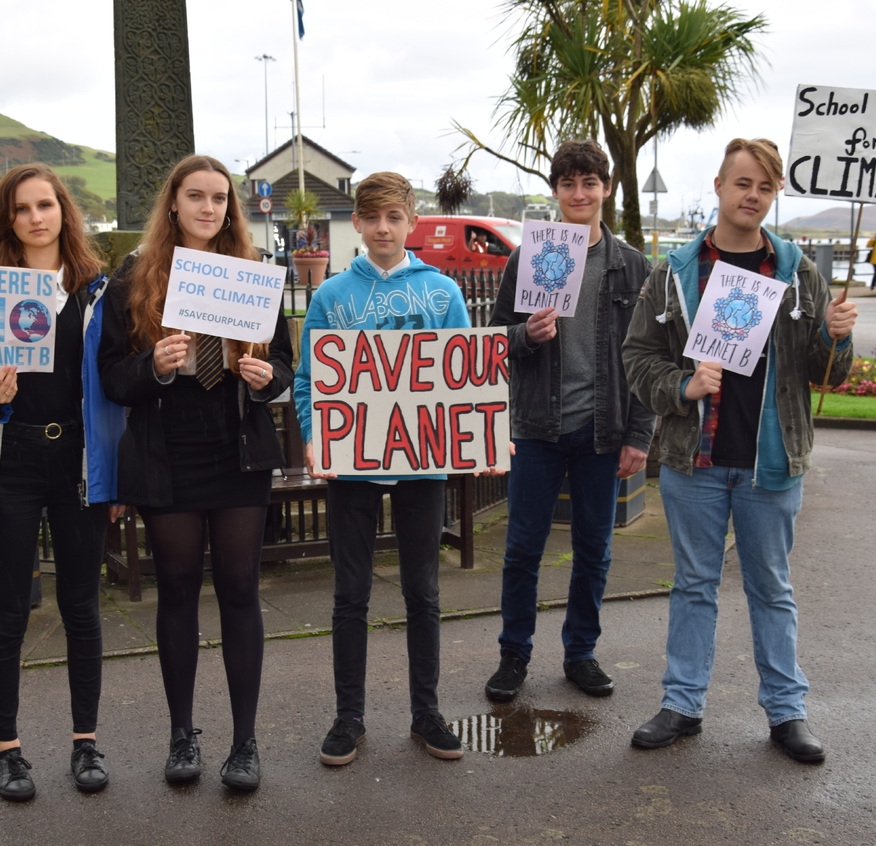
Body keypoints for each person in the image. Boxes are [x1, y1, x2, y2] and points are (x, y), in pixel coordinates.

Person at [622, 138, 858, 763]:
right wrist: (681, 385)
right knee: (693, 585)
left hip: (770, 464)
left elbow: (824, 373)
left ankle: (787, 712)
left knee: (772, 589)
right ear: (721, 187)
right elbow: (636, 357)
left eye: (764, 187)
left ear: (773, 194)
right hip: (694, 460)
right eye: (742, 183)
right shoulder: (673, 272)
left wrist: (838, 338)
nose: (752, 196)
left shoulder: (797, 271)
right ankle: (682, 703)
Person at [0, 164, 126, 801]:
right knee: (8, 612)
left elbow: (117, 391)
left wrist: (115, 475)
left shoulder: (97, 294)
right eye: (21, 208)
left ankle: (85, 744)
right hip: (9, 467)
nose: (36, 217)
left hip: (77, 468)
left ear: (64, 211)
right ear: (6, 221)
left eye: (46, 204)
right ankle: (8, 752)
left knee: (82, 609)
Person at [97, 154, 293, 791]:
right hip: (168, 456)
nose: (210, 208)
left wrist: (267, 382)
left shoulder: (254, 275)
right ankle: (182, 736)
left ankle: (245, 741)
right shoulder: (134, 280)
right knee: (177, 590)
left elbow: (284, 366)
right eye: (196, 196)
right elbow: (112, 379)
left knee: (239, 589)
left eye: (220, 198)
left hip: (236, 455)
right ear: (174, 203)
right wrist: (153, 365)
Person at [293, 172, 473, 765]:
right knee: (351, 594)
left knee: (423, 591)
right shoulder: (331, 296)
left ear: (411, 219)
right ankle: (349, 718)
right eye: (371, 218)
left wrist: (480, 433)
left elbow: (466, 376)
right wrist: (317, 436)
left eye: (394, 217)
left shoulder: (444, 292)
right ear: (359, 224)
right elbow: (309, 382)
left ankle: (427, 713)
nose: (383, 228)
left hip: (423, 465)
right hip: (353, 466)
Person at [483, 139, 656, 703]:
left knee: (595, 549)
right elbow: (493, 342)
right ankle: (514, 655)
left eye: (589, 183)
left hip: (602, 433)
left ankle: (580, 652)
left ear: (605, 188)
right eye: (567, 184)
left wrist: (639, 435)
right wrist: (523, 336)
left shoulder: (632, 267)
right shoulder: (526, 258)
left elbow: (651, 358)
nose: (579, 194)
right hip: (537, 428)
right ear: (555, 190)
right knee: (522, 549)